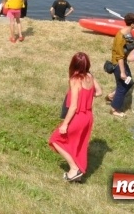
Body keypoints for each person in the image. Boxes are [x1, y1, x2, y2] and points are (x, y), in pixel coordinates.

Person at [49, 52, 103, 183]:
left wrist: (65, 124)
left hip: (78, 117)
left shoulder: (75, 80)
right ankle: (77, 170)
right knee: (79, 143)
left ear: (73, 64)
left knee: (55, 140)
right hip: (88, 116)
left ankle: (74, 169)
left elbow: (73, 106)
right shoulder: (90, 76)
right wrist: (87, 97)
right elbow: (100, 92)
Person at [107, 13, 134, 118]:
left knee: (129, 83)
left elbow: (128, 49)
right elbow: (120, 56)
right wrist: (122, 72)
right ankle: (114, 109)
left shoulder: (128, 32)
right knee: (123, 86)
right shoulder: (121, 36)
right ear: (132, 24)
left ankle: (111, 96)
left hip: (123, 61)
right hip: (118, 63)